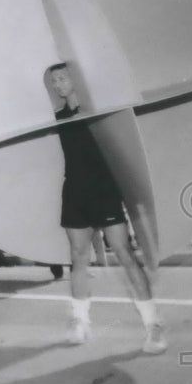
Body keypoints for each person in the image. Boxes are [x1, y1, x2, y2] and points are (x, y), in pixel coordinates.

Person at [48, 63, 166, 354]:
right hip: (75, 193)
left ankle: (153, 325)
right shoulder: (58, 118)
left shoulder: (100, 111)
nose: (57, 85)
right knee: (78, 258)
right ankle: (80, 322)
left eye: (62, 78)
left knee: (124, 253)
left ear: (76, 79)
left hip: (105, 191)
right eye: (54, 81)